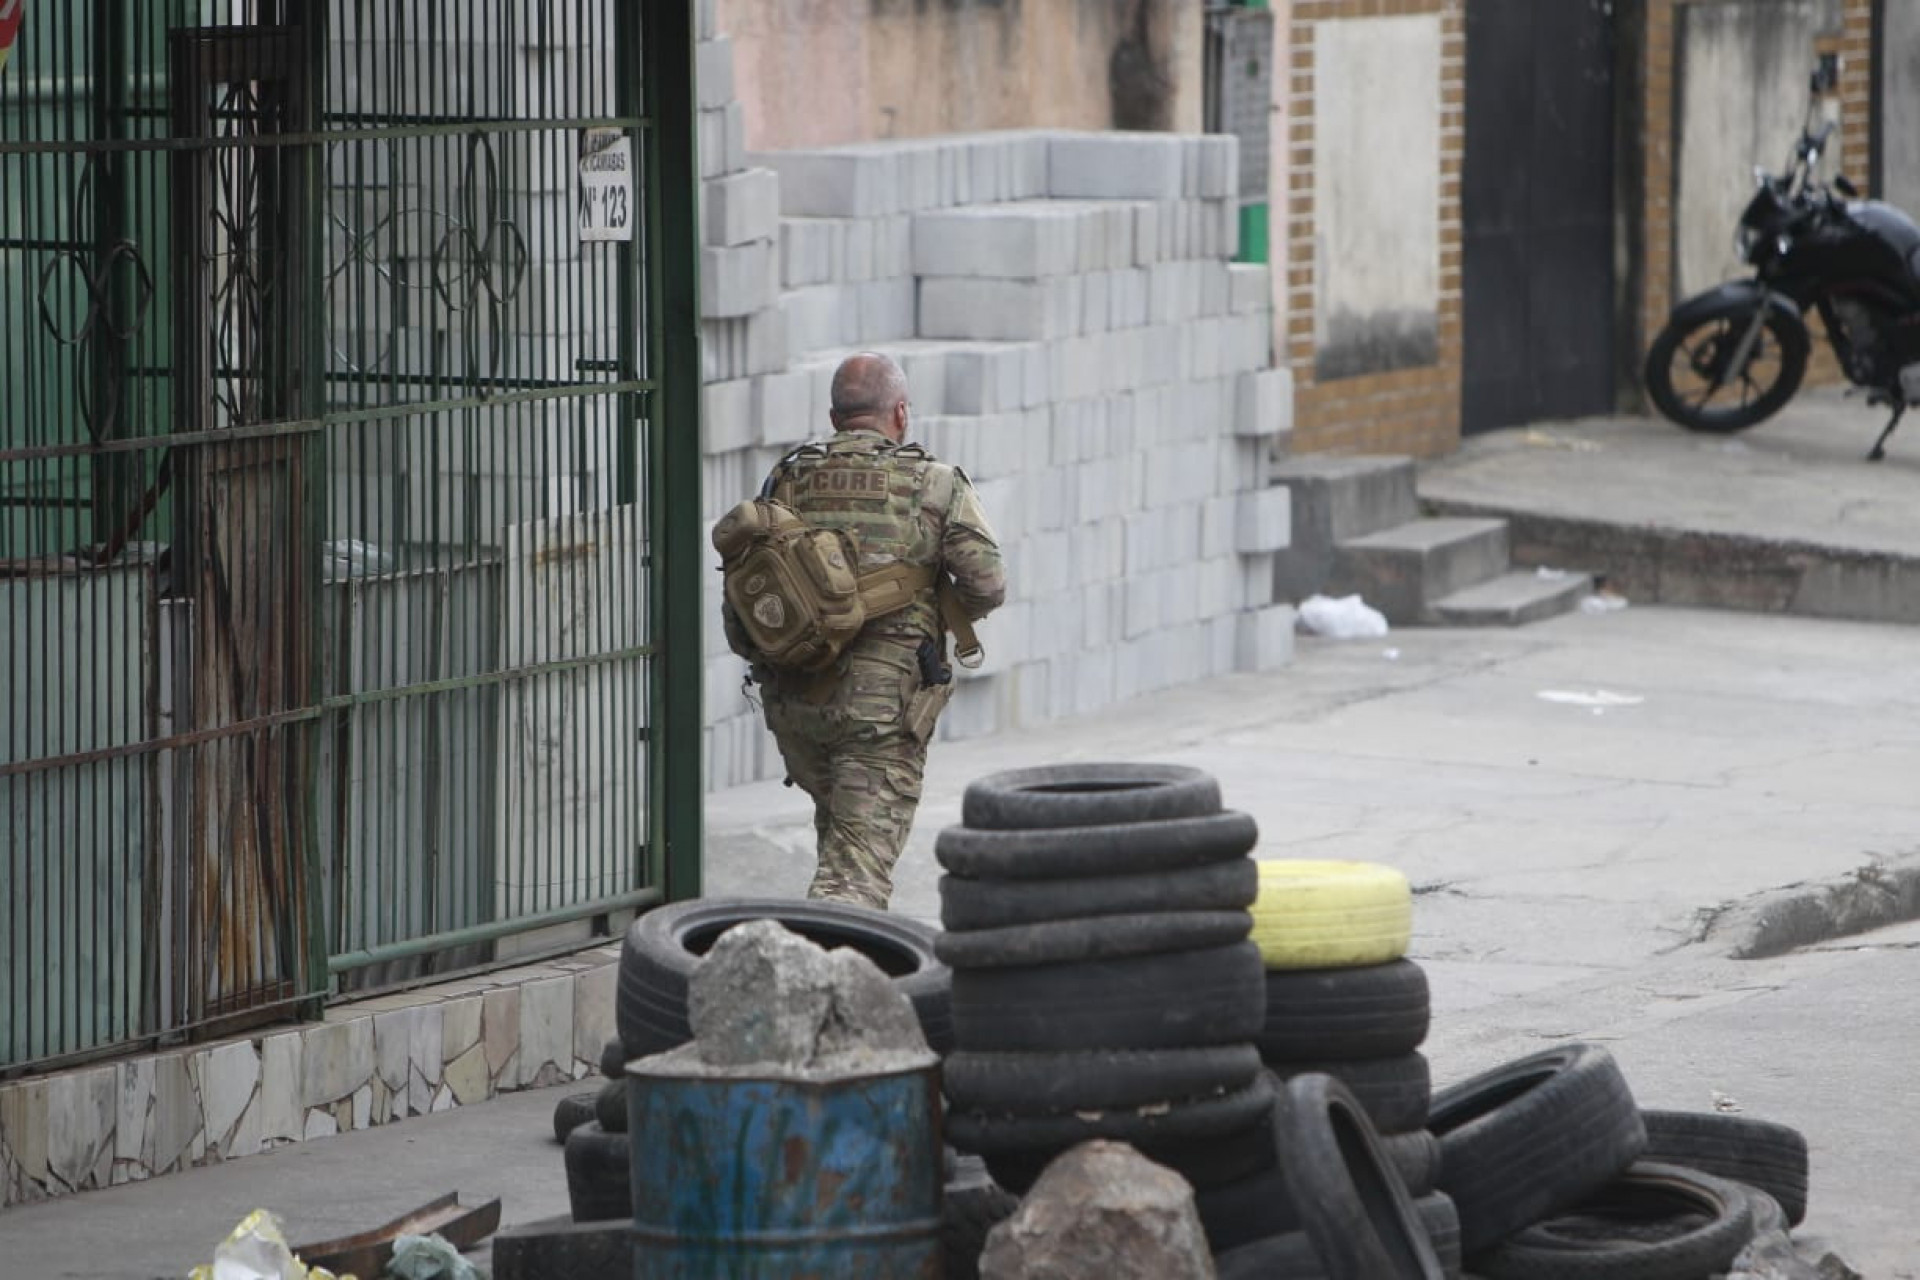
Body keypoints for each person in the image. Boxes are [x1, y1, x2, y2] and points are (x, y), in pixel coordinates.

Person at [723, 352, 1005, 909]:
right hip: (879, 713)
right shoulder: (933, 483)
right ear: (900, 413)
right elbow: (987, 583)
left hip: (796, 704)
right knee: (851, 883)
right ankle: (824, 983)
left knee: (842, 843)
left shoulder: (789, 478)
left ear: (834, 418)